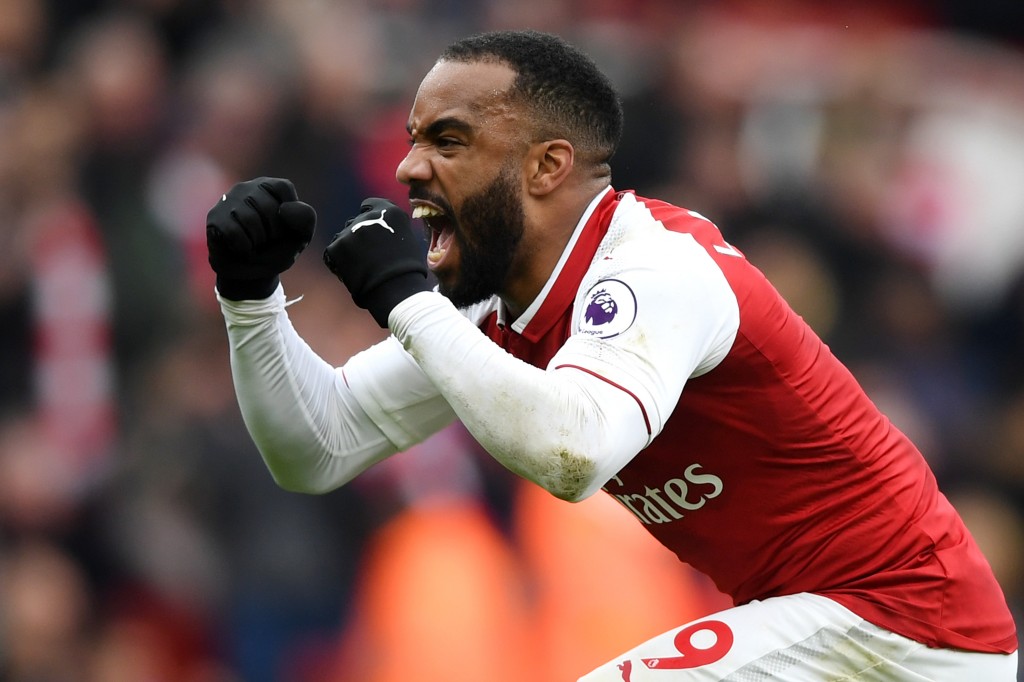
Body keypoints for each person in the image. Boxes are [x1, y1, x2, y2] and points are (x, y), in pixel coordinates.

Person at [204, 29, 1018, 681]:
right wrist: (251, 299)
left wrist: (404, 298)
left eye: (448, 140)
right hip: (831, 630)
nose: (410, 167)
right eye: (415, 140)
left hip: (901, 624)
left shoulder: (652, 269)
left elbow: (574, 452)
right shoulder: (497, 307)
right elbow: (317, 447)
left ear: (547, 165)